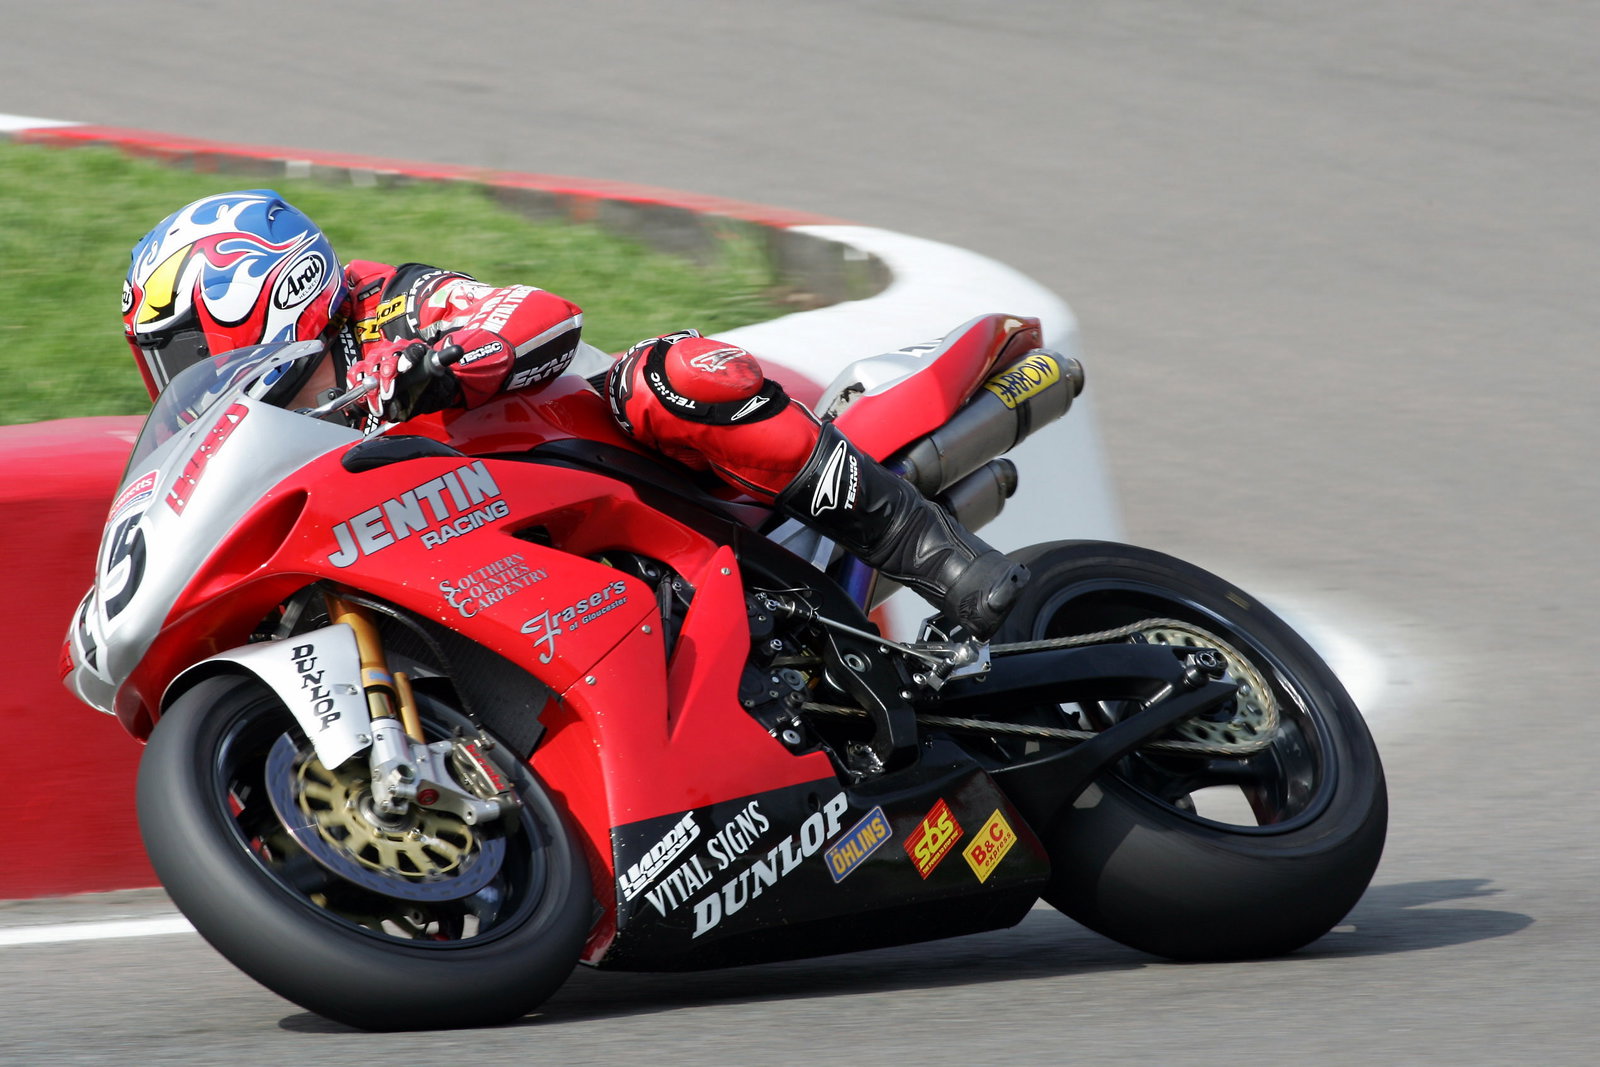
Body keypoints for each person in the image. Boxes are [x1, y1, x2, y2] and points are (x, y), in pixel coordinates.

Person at [121, 189, 1028, 638]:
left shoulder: (391, 306)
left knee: (674, 374)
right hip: (505, 576)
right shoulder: (272, 430)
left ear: (259, 289)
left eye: (185, 347)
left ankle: (941, 557)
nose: (182, 370)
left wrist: (439, 365)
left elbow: (541, 316)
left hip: (637, 484)